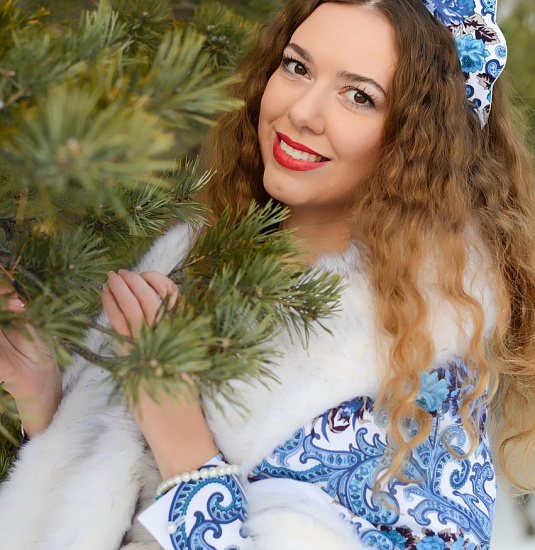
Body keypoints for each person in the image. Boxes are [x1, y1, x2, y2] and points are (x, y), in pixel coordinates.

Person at [1, 0, 534, 548]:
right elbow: (93, 515)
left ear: (418, 143)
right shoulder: (190, 258)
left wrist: (183, 444)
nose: (301, 111)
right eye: (297, 67)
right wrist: (46, 407)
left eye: (359, 96)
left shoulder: (419, 364)